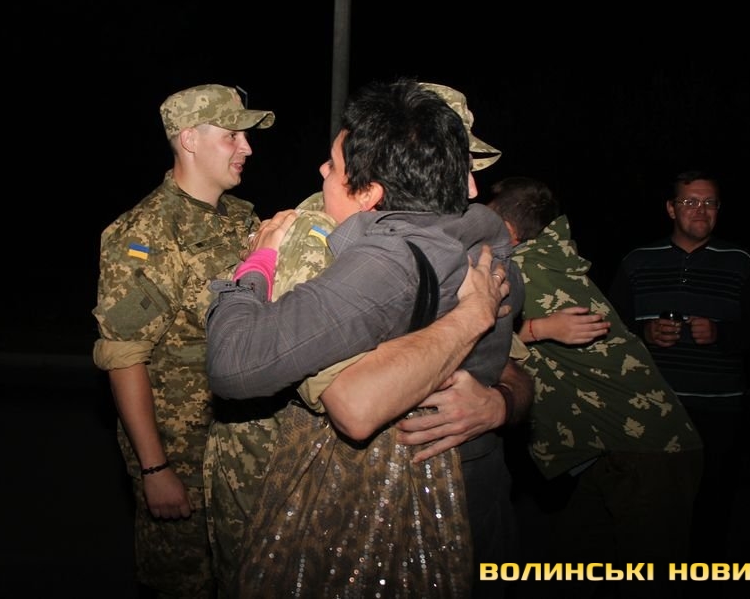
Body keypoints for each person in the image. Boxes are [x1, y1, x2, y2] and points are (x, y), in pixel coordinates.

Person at [202, 82, 529, 599]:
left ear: (371, 192)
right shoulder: (484, 238)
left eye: (333, 165)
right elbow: (507, 360)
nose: (321, 171)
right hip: (481, 487)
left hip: (397, 500)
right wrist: (502, 393)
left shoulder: (387, 261)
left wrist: (253, 268)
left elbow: (236, 363)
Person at [91, 83, 274, 599]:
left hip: (245, 454)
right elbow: (124, 356)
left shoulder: (242, 220)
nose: (247, 147)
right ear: (189, 139)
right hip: (184, 460)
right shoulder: (145, 235)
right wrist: (155, 468)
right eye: (232, 135)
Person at [487, 176, 703, 598]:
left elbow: (476, 340)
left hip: (651, 451)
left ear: (507, 231)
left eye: (483, 220)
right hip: (609, 447)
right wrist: (542, 329)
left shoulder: (526, 270)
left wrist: (535, 329)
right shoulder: (543, 257)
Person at [608, 169, 750, 561]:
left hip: (717, 409)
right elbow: (609, 327)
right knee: (647, 505)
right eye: (690, 201)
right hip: (651, 407)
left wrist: (722, 334)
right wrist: (644, 332)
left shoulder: (742, 263)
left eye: (709, 202)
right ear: (671, 209)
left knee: (711, 505)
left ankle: (702, 576)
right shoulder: (637, 261)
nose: (700, 210)